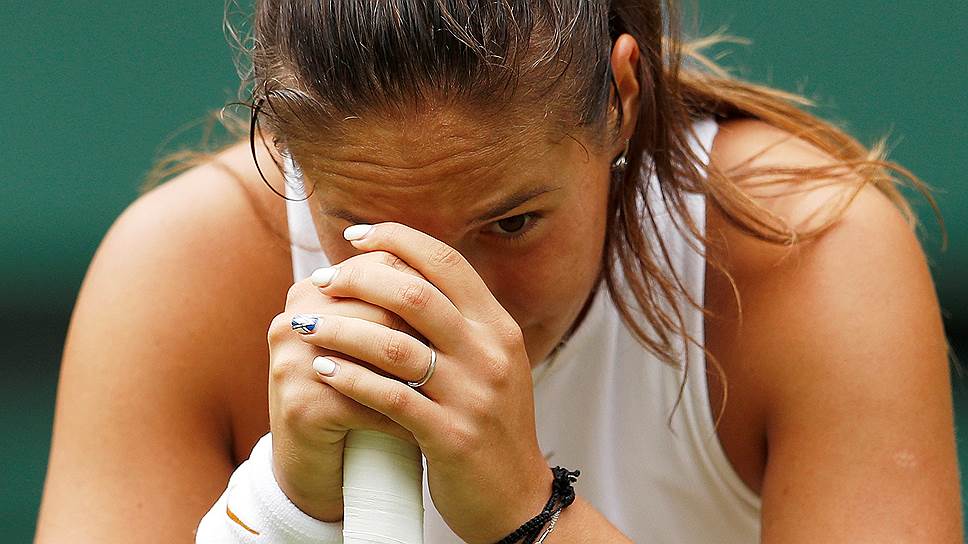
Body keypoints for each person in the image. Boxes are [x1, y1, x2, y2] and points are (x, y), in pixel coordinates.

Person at [34, 1, 962, 542]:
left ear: (621, 101)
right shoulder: (176, 271)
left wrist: (529, 515)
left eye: (512, 222)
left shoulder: (815, 256)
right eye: (362, 226)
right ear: (284, 142)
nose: (444, 301)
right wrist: (287, 509)